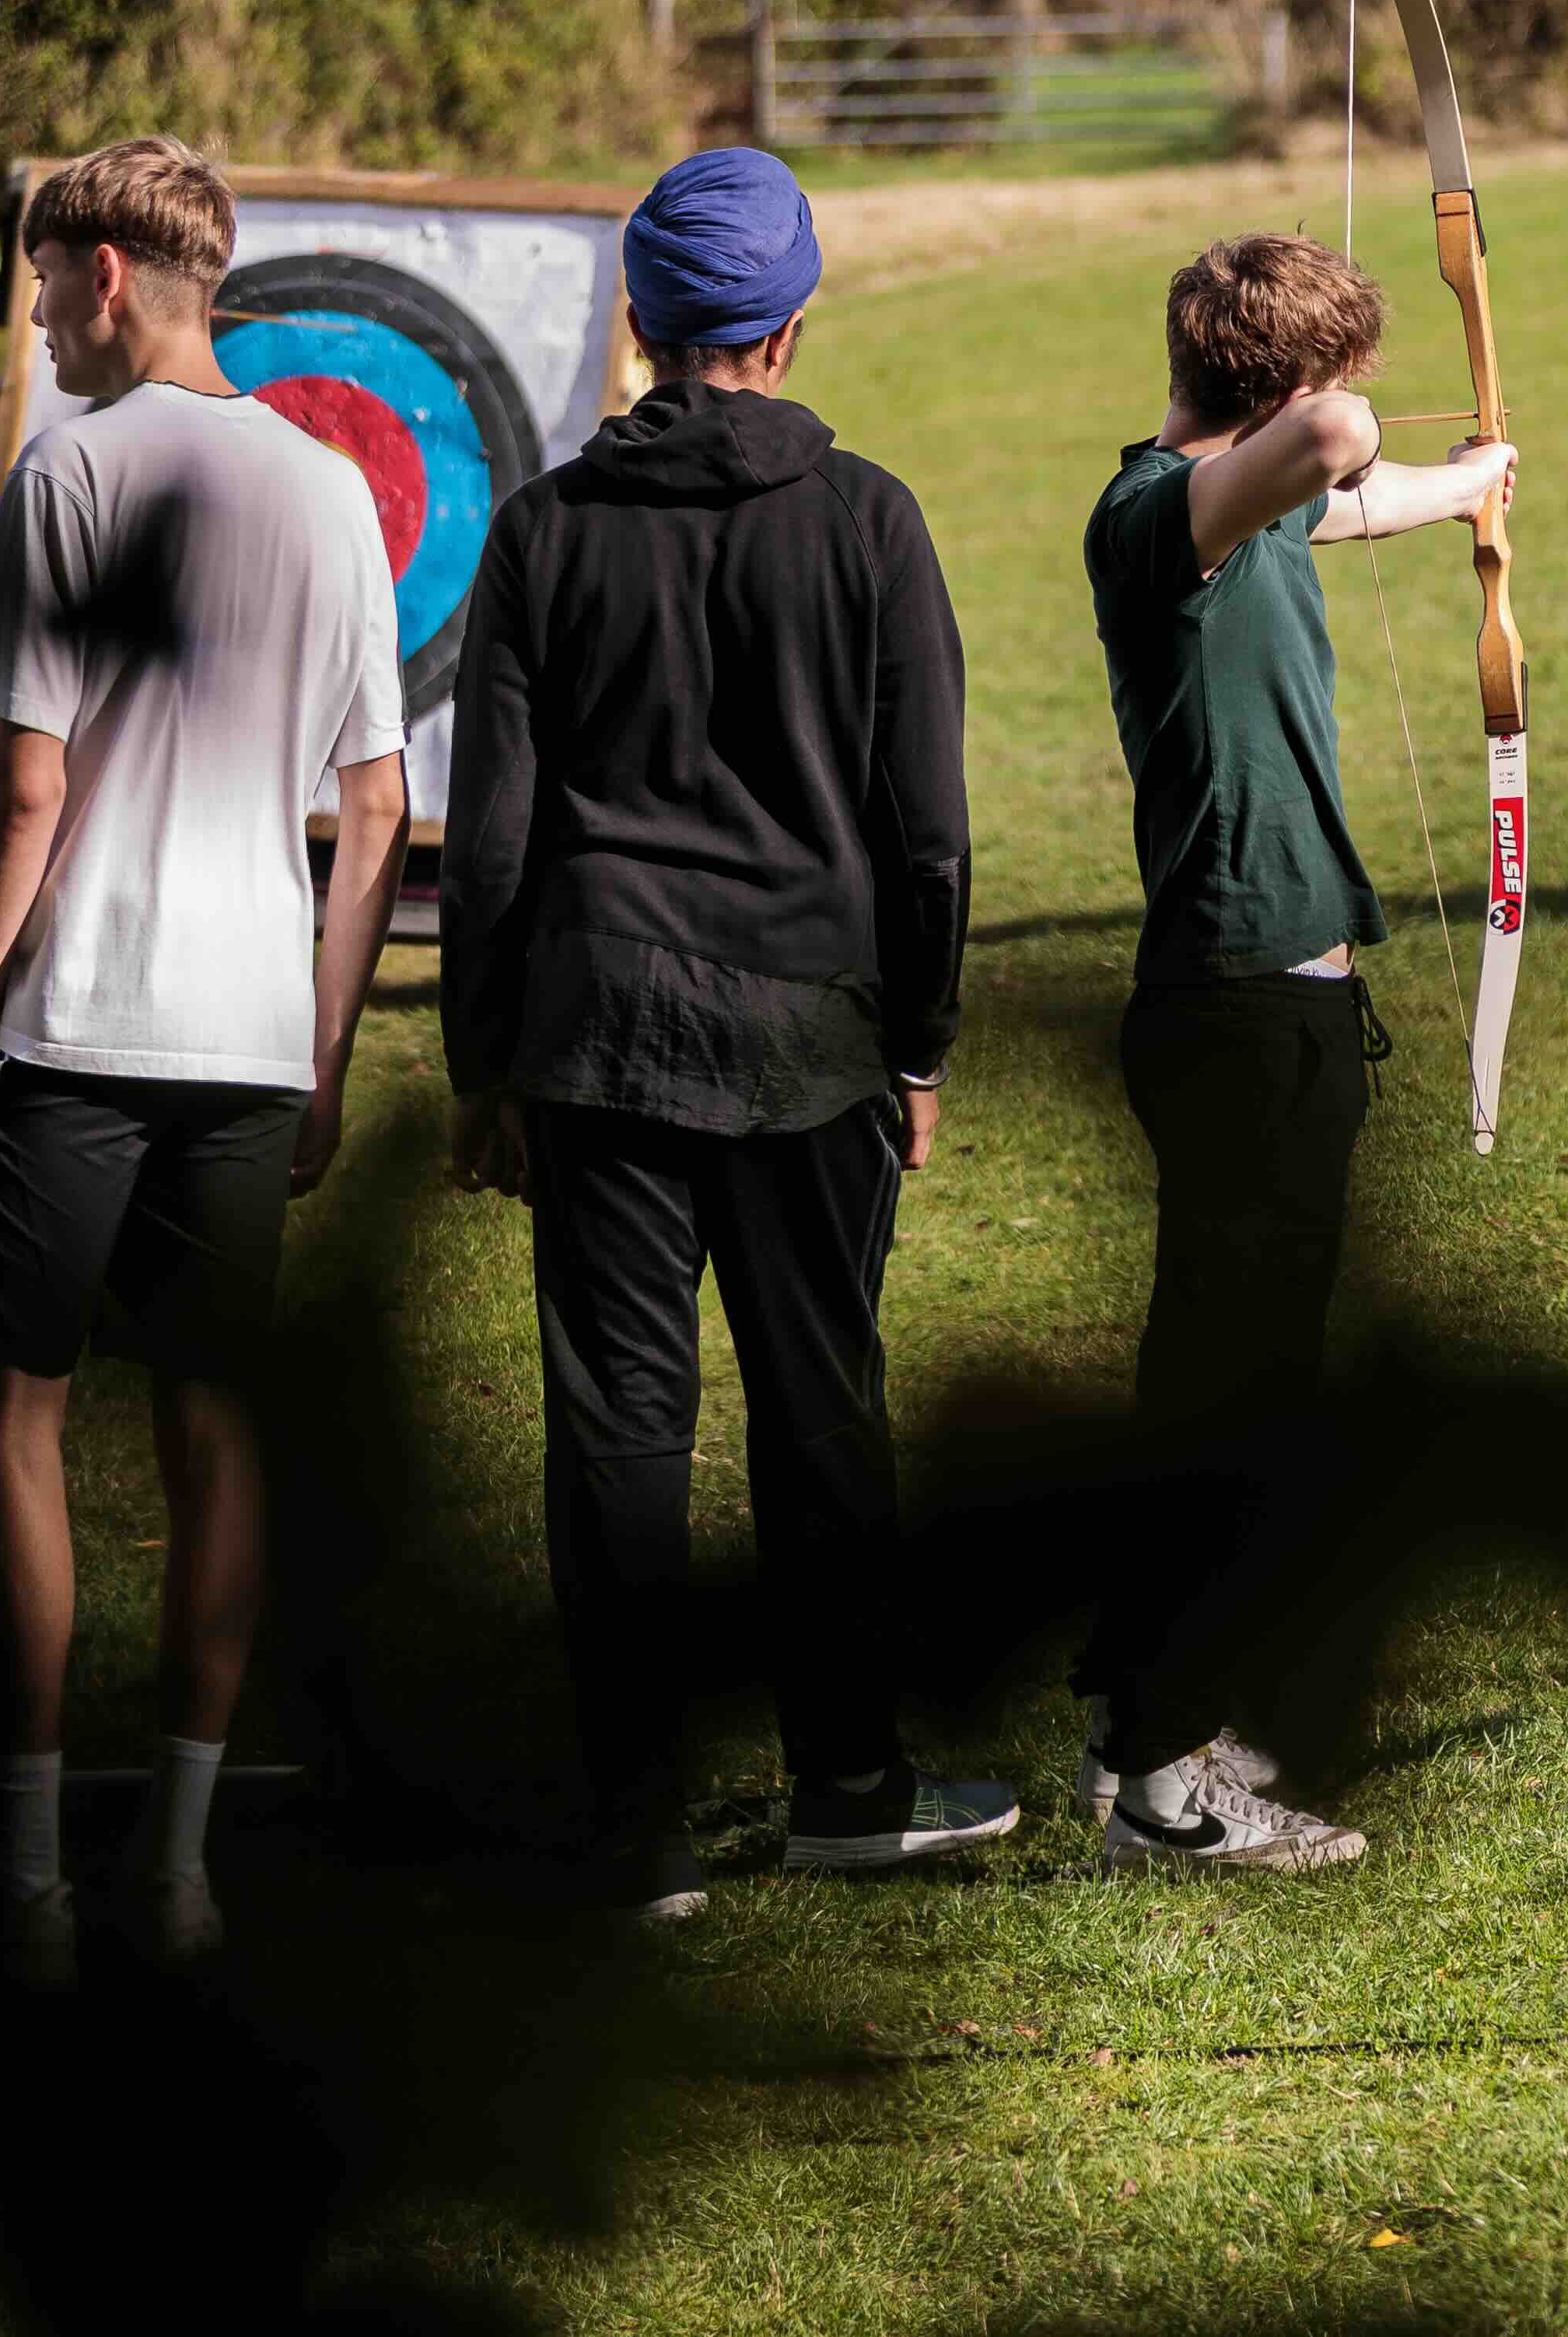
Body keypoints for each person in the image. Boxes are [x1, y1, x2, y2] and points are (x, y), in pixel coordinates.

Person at [440, 147, 1003, 1919]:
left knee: (620, 1426)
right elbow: (927, 828)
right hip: (817, 1036)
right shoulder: (870, 517)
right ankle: (847, 1779)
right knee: (820, 1407)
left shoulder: (541, 529)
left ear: (643, 325)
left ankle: (637, 1829)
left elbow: (499, 839)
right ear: (792, 323)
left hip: (598, 1033)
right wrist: (921, 1045)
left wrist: (485, 1063)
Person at [0, 136, 411, 1984]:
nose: (37, 318)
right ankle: (182, 1860)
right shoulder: (333, 489)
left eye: (46, 281)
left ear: (110, 272)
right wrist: (329, 1046)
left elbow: (24, 780)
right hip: (251, 1033)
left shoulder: (75, 468)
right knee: (211, 1424)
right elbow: (374, 802)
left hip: (75, 1022)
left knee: (4, 1412)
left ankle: (31, 1866)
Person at [1068, 232, 1514, 1873]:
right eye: (1321, 374)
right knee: (1232, 1399)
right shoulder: (1157, 517)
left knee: (1219, 1378)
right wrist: (1349, 414)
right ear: (1281, 387)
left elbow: (1347, 489)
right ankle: (1168, 1793)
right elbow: (1330, 447)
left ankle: (1139, 1709)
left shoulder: (1240, 515)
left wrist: (1473, 482)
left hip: (1280, 1004)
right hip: (1241, 1004)